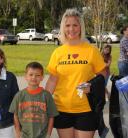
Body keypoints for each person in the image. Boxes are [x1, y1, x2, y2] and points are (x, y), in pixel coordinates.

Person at [45, 8, 106, 138]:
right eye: (67, 25)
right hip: (61, 108)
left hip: (86, 109)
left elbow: (103, 75)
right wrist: (43, 99)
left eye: (75, 25)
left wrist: (92, 86)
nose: (71, 29)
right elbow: (52, 80)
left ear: (81, 27)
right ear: (63, 27)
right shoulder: (58, 52)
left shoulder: (91, 50)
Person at [9, 61, 58, 138]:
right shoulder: (19, 95)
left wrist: (48, 134)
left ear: (42, 77)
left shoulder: (46, 95)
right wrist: (18, 133)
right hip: (24, 135)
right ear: (25, 76)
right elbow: (15, 115)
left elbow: (51, 116)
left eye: (37, 75)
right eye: (31, 75)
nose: (34, 78)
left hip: (42, 135)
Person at [97, 44, 112, 138]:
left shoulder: (109, 56)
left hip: (106, 73)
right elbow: (99, 64)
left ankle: (107, 95)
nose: (106, 50)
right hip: (100, 73)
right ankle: (108, 94)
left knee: (103, 86)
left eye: (108, 49)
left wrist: (103, 64)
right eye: (106, 48)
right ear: (103, 49)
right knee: (102, 86)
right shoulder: (100, 54)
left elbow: (108, 64)